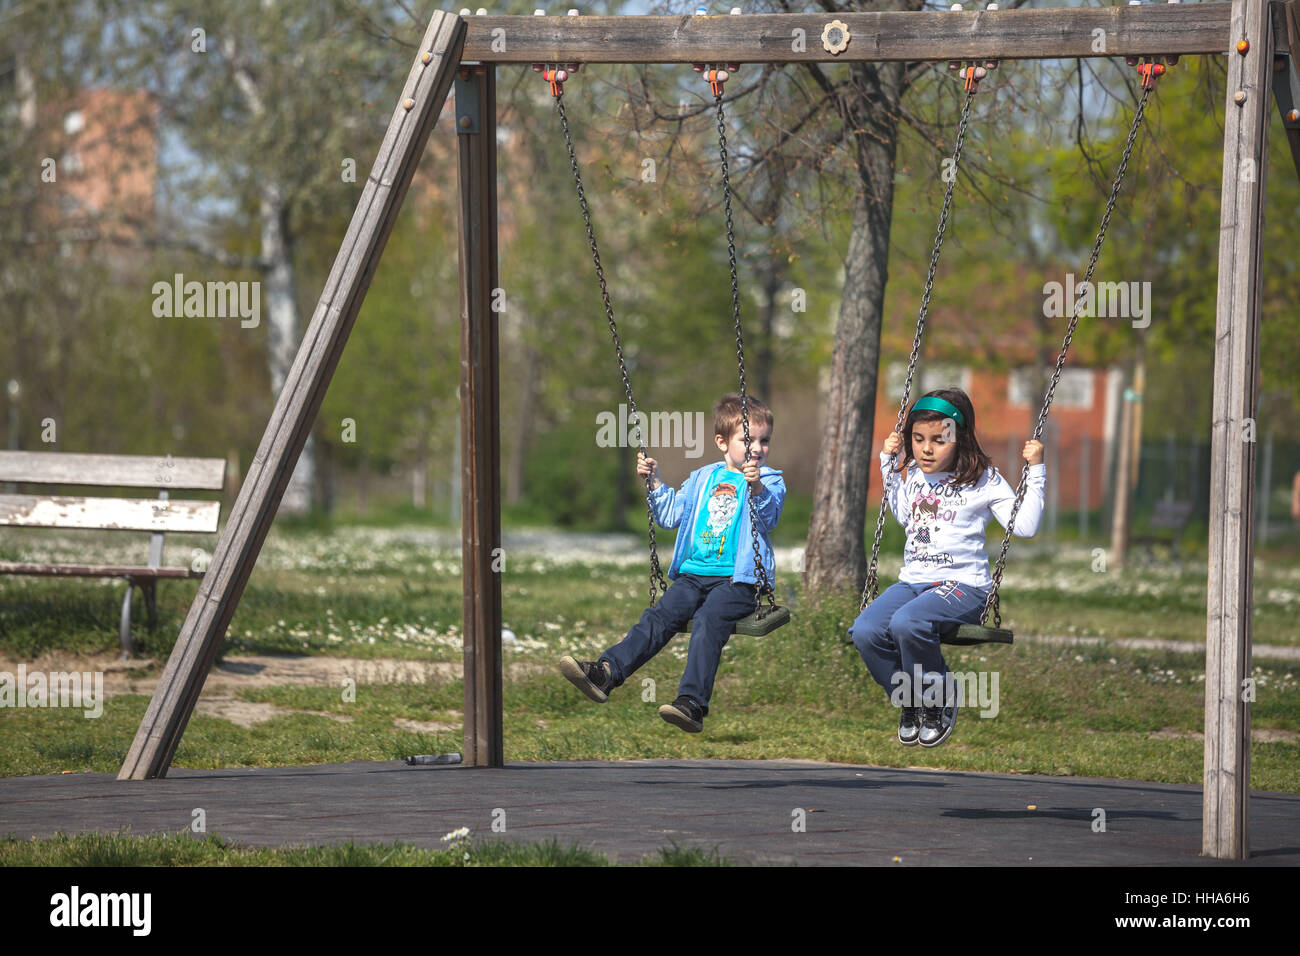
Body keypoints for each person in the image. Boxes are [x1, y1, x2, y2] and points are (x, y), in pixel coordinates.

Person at [559, 393, 785, 733]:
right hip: (694, 575)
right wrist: (655, 482)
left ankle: (691, 703)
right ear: (722, 442)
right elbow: (669, 515)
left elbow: (769, 517)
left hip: (739, 581)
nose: (758, 449)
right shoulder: (702, 478)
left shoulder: (769, 480)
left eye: (764, 441)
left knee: (710, 620)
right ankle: (606, 673)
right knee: (659, 617)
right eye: (748, 440)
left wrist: (755, 490)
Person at [848, 387, 1045, 748]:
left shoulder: (984, 479)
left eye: (939, 440)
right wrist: (887, 464)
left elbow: (1026, 526)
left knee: (909, 622)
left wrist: (1035, 471)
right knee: (865, 630)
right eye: (919, 439)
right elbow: (906, 517)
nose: (926, 448)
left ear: (961, 438)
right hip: (914, 583)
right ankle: (909, 700)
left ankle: (940, 696)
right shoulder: (918, 477)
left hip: (963, 586)